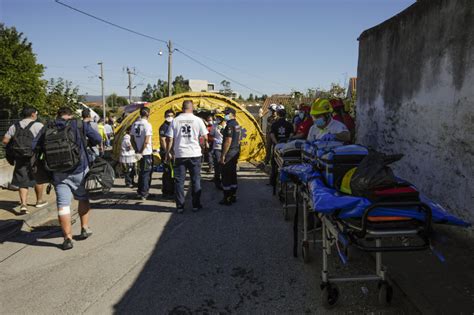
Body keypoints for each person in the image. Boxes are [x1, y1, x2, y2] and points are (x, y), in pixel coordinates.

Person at [33, 107, 102, 250]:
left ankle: (67, 238)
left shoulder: (48, 126)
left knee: (63, 205)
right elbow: (97, 139)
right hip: (79, 169)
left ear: (57, 115)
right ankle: (84, 228)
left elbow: (34, 146)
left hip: (57, 172)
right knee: (83, 198)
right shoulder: (78, 124)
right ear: (70, 115)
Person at [165, 100, 208, 213]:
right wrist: (203, 148)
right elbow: (204, 137)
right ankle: (196, 205)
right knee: (195, 180)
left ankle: (180, 206)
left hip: (180, 154)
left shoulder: (175, 120)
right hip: (195, 153)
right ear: (192, 107)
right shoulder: (198, 120)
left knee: (179, 181)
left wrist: (168, 152)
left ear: (182, 108)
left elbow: (170, 138)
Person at [2, 107, 47, 214]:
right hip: (34, 156)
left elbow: (5, 141)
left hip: (19, 157)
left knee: (22, 181)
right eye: (36, 113)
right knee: (38, 177)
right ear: (32, 114)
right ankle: (39, 201)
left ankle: (23, 205)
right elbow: (45, 140)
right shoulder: (38, 125)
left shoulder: (14, 126)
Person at [219, 107, 241, 206]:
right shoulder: (237, 124)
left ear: (232, 114)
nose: (225, 115)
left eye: (226, 113)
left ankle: (226, 198)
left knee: (226, 175)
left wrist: (223, 155)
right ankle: (233, 196)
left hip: (230, 152)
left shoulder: (230, 125)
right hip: (235, 151)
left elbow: (228, 141)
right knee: (232, 174)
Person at [131, 107, 154, 200]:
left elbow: (132, 139)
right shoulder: (147, 125)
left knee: (141, 172)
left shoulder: (135, 124)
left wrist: (136, 150)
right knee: (146, 173)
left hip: (138, 152)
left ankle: (140, 191)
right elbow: (146, 141)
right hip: (146, 152)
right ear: (148, 114)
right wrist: (141, 151)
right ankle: (144, 193)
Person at [269, 107, 294, 187]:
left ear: (278, 115)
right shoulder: (289, 124)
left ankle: (273, 182)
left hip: (277, 147)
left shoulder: (274, 124)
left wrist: (277, 143)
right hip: (287, 147)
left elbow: (272, 135)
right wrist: (286, 143)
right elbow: (291, 135)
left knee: (274, 164)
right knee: (286, 164)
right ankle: (287, 181)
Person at [159, 109, 175, 199]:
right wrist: (167, 152)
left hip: (173, 152)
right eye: (168, 115)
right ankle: (166, 191)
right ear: (165, 116)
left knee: (173, 172)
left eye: (171, 115)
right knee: (167, 172)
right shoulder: (163, 126)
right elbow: (163, 140)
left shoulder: (174, 125)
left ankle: (172, 190)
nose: (170, 117)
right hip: (166, 152)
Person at [210, 114, 226, 190]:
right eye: (217, 117)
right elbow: (211, 135)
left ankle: (225, 181)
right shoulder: (214, 125)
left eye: (219, 117)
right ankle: (217, 182)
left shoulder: (228, 125)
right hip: (217, 147)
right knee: (217, 164)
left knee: (224, 165)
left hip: (226, 148)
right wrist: (215, 139)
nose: (218, 119)